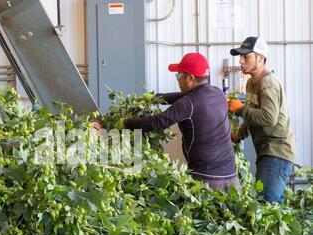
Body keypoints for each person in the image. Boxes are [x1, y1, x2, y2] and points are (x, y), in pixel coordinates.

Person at [97, 53, 240, 191]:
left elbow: (157, 122)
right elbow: (181, 96)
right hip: (231, 177)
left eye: (179, 75)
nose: (178, 80)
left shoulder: (188, 103)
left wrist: (127, 123)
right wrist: (155, 98)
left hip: (207, 179)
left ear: (190, 78)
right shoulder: (218, 94)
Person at [230, 36, 295, 203]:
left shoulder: (268, 84)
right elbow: (255, 114)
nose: (241, 61)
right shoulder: (252, 83)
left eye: (246, 56)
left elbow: (269, 118)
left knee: (265, 206)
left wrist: (240, 108)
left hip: (276, 152)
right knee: (270, 207)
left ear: (260, 58)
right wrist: (241, 134)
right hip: (266, 152)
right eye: (240, 57)